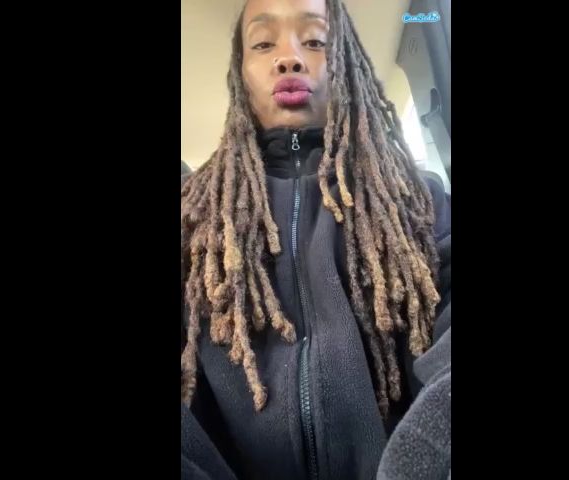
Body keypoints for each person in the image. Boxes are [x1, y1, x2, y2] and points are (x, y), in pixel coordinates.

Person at [181, 0, 451, 478]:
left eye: (315, 41)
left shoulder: (416, 197)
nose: (289, 58)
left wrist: (427, 450)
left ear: (345, 63)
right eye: (263, 44)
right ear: (239, 72)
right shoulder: (191, 213)